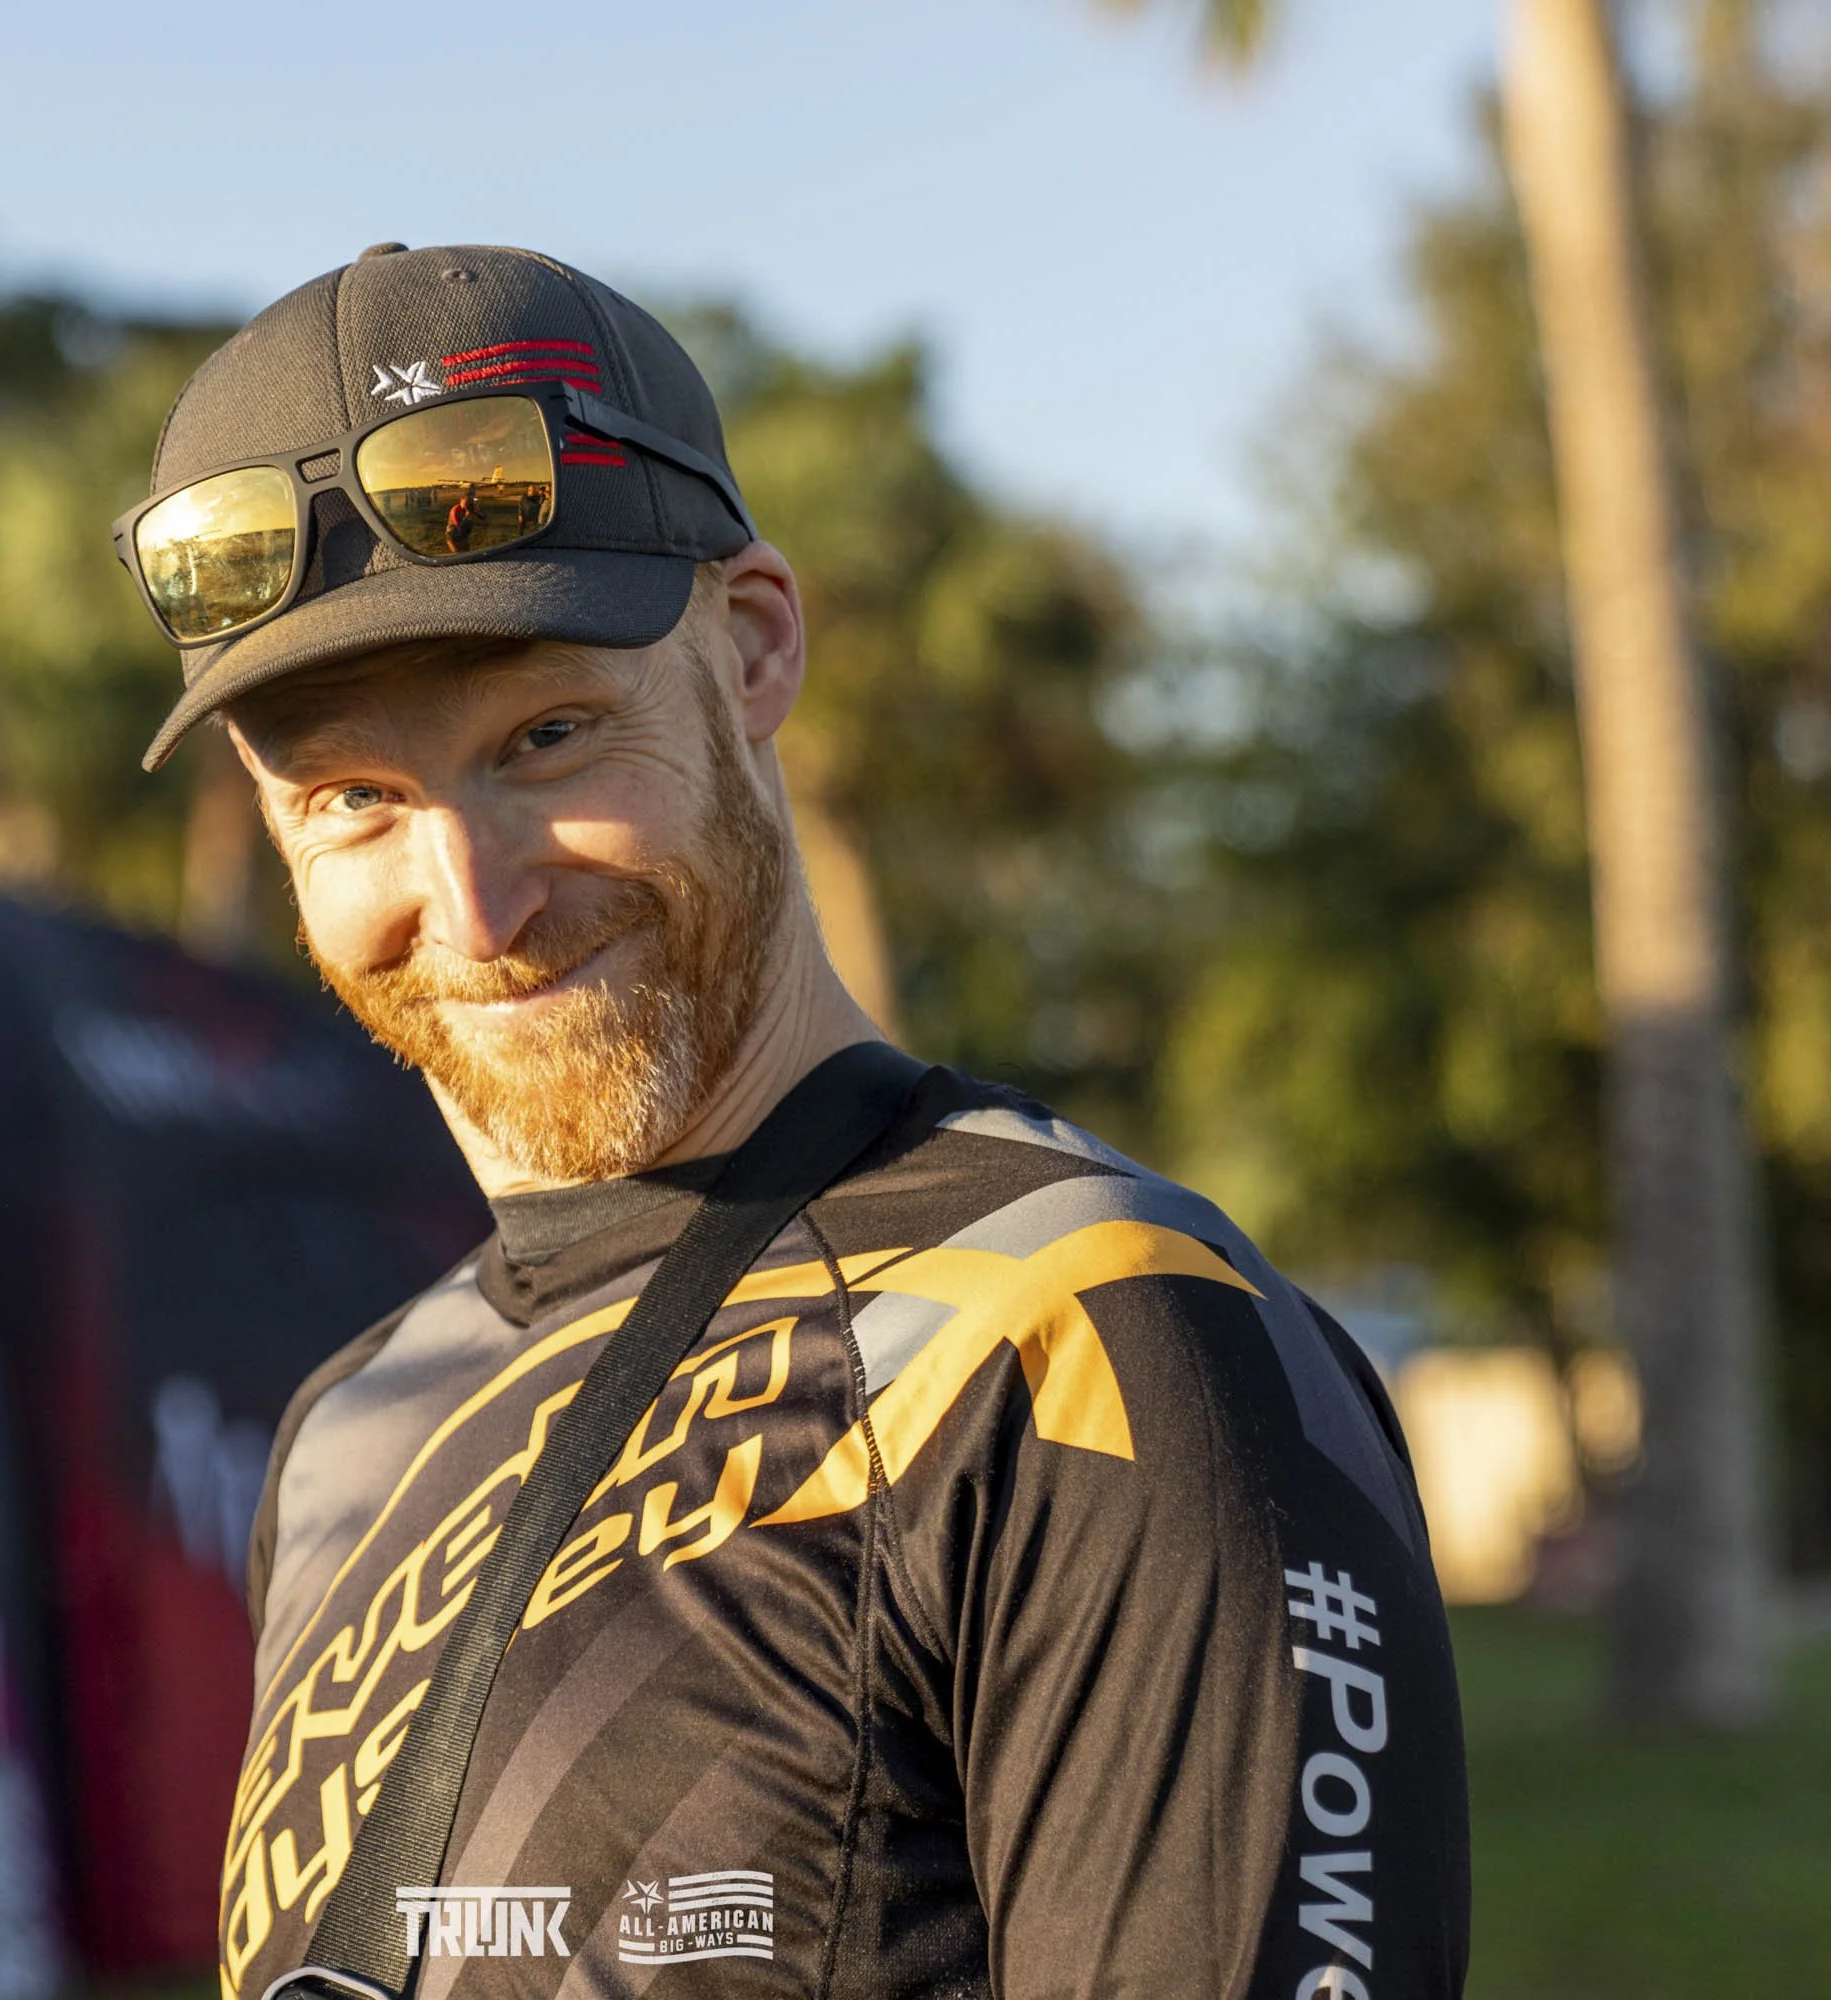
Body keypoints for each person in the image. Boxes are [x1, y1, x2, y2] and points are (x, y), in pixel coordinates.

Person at [121, 242, 1468, 2000]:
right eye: (354, 799)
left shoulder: (1087, 1339)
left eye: (548, 735)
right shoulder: (348, 1426)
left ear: (753, 649)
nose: (473, 904)